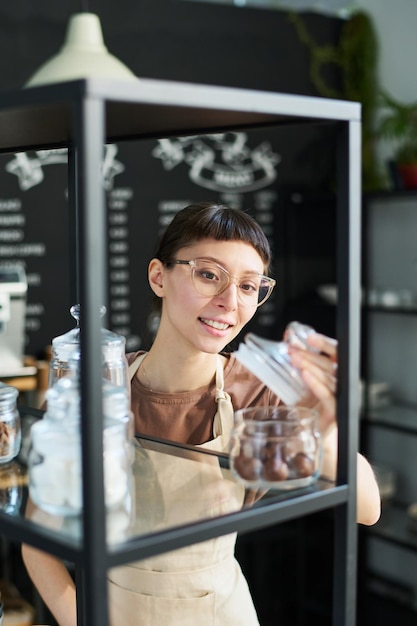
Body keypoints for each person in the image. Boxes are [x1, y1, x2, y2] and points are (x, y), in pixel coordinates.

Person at [22, 202, 380, 626]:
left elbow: (367, 508)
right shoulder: (91, 390)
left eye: (249, 287)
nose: (229, 302)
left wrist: (326, 427)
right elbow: (38, 541)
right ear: (159, 276)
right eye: (209, 275)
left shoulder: (259, 393)